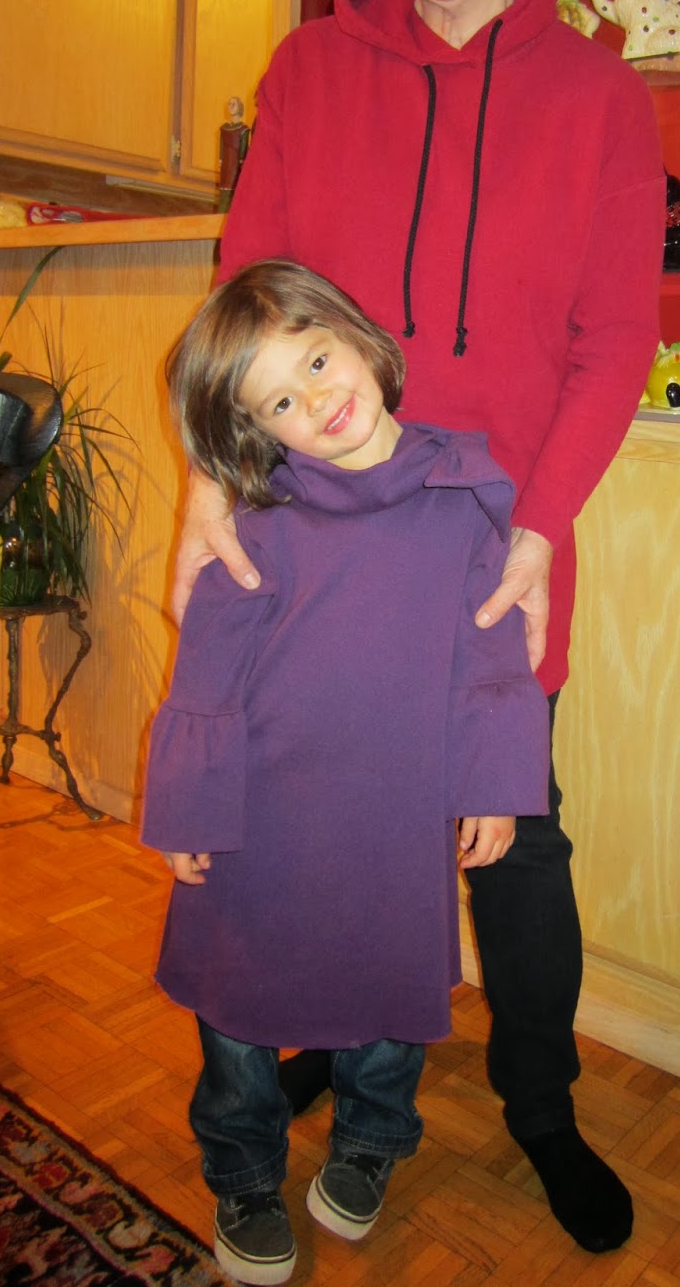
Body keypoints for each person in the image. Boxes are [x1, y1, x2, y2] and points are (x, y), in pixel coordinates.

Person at [171, 0, 666, 1257]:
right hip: (310, 541)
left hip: (485, 548)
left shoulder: (601, 98)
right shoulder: (309, 72)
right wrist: (207, 489)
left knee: (516, 835)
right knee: (309, 807)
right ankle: (321, 1031)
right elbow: (243, 295)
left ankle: (539, 1105)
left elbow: (614, 341)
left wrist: (540, 529)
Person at [144, 260, 551, 1286]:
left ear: (361, 339)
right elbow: (206, 670)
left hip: (393, 812)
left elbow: (492, 650)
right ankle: (244, 1171)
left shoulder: (462, 494)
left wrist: (494, 783)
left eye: (318, 361)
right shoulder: (255, 517)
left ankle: (370, 1141)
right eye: (279, 401)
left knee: (389, 985)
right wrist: (187, 804)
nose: (316, 400)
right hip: (258, 814)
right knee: (236, 1004)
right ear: (256, 431)